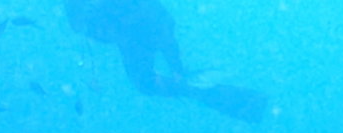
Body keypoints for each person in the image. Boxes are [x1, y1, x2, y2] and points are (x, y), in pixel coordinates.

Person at [62, 0, 266, 123]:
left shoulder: (133, 18)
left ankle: (238, 99)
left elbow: (158, 23)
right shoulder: (101, 20)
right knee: (147, 83)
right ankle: (234, 99)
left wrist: (175, 65)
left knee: (155, 80)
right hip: (137, 31)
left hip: (145, 26)